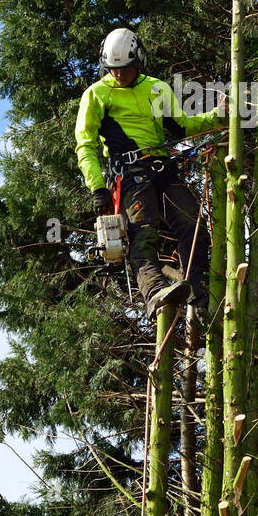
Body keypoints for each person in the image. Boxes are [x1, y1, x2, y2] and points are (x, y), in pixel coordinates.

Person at [74, 27, 225, 322]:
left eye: (125, 69)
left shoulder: (157, 88)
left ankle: (199, 290)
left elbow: (181, 127)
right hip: (130, 174)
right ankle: (154, 291)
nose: (119, 74)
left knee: (191, 223)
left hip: (163, 169)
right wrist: (96, 188)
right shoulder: (96, 95)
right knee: (142, 234)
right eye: (113, 69)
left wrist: (218, 116)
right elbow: (86, 145)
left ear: (138, 61)